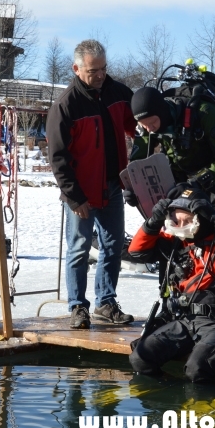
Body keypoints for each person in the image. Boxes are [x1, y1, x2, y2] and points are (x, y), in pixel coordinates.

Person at [127, 187, 215, 383]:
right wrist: (153, 222)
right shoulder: (175, 242)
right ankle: (170, 398)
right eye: (176, 221)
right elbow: (136, 251)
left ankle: (203, 405)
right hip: (185, 320)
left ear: (201, 219)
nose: (181, 227)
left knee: (198, 369)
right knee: (140, 358)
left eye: (188, 221)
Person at [47, 39, 137, 329]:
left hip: (112, 186)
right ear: (76, 69)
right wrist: (74, 198)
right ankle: (77, 306)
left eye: (103, 69)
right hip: (81, 193)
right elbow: (58, 158)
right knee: (79, 249)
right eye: (92, 71)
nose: (100, 76)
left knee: (113, 247)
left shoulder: (117, 93)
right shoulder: (66, 106)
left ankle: (106, 303)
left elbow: (138, 120)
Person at [131, 86, 215, 209]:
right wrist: (134, 188)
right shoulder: (147, 123)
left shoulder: (204, 112)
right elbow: (136, 163)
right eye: (144, 125)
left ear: (163, 112)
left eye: (152, 123)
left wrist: (197, 182)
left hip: (214, 179)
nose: (149, 129)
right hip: (178, 183)